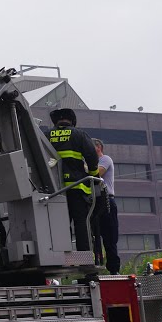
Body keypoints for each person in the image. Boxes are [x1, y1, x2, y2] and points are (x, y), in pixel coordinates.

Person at [44, 107, 100, 254]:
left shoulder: (45, 135)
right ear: (72, 121)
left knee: (61, 225)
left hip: (54, 190)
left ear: (56, 121)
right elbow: (92, 157)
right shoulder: (79, 134)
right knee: (81, 223)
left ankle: (64, 256)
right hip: (77, 187)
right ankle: (85, 259)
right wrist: (95, 177)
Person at [90, 138, 120, 274]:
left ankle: (114, 268)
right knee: (95, 236)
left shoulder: (105, 159)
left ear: (98, 147)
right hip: (94, 202)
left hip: (107, 200)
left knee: (109, 237)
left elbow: (97, 173)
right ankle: (95, 266)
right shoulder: (90, 164)